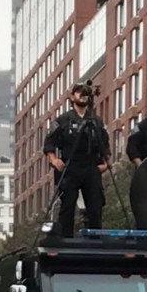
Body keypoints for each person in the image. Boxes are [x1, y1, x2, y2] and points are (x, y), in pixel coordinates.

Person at [44, 83, 111, 237]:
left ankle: (95, 240)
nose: (83, 96)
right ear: (72, 96)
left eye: (86, 93)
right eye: (79, 92)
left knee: (95, 207)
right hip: (70, 167)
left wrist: (105, 164)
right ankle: (66, 240)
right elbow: (49, 142)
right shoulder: (63, 120)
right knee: (67, 207)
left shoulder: (96, 121)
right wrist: (54, 160)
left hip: (91, 167)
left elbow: (105, 144)